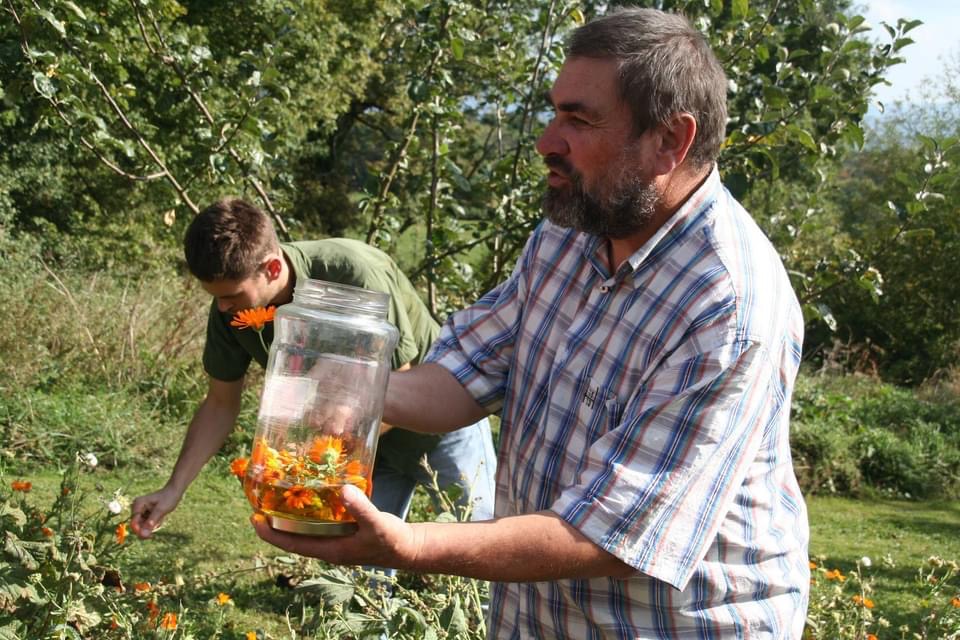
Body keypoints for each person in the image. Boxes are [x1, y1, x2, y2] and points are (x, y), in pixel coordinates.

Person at [251, 7, 809, 638]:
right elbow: (470, 367)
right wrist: (347, 395)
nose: (547, 139)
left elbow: (612, 534)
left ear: (669, 142)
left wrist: (408, 546)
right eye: (554, 111)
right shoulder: (572, 231)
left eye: (580, 118)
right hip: (540, 617)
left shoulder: (729, 306)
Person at [130, 198, 497, 541]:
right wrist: (173, 488)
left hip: (442, 428)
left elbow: (399, 374)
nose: (224, 308)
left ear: (271, 267)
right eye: (217, 297)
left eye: (233, 296)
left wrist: (321, 461)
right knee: (362, 573)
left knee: (477, 547)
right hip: (362, 451)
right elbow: (220, 404)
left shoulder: (352, 272)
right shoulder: (231, 309)